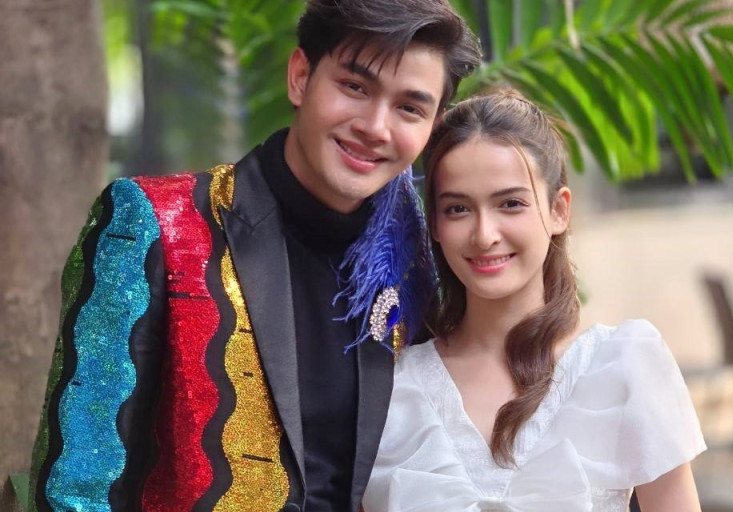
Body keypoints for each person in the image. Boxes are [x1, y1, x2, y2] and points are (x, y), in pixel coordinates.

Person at [26, 1, 481, 511]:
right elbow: (77, 488)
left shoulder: (421, 257)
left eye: (410, 108)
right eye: (355, 87)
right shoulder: (157, 221)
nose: (376, 126)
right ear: (300, 77)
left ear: (432, 127)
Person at [363, 90, 707, 512]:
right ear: (433, 222)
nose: (484, 234)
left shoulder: (622, 365)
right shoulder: (395, 388)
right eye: (457, 209)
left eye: (510, 204)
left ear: (559, 210)